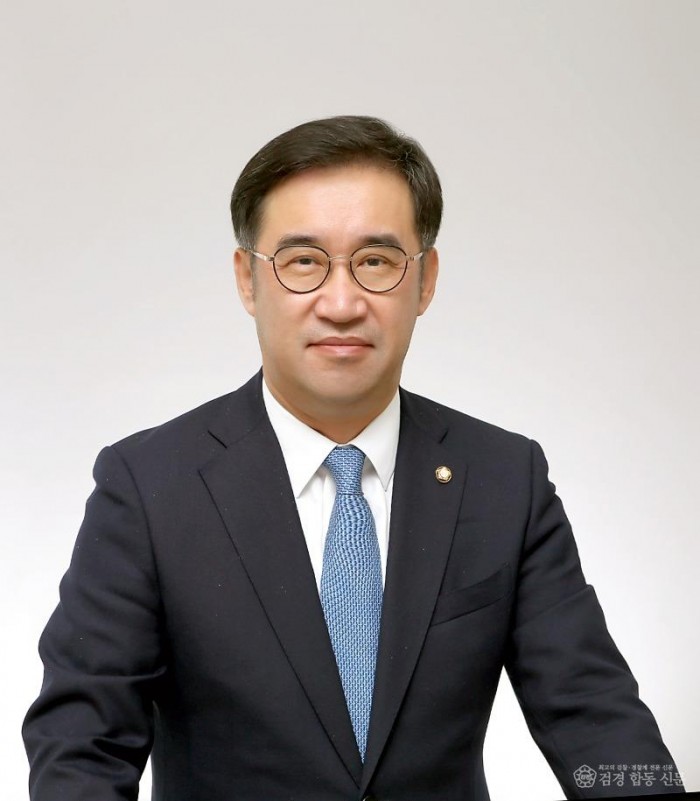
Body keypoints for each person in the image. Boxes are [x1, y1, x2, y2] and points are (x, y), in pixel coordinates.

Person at [23, 116, 683, 800]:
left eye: (375, 261)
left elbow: (599, 728)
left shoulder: (503, 480)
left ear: (424, 280)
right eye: (303, 262)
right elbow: (81, 752)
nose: (341, 304)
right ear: (248, 280)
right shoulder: (150, 487)